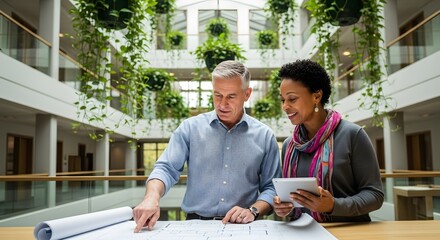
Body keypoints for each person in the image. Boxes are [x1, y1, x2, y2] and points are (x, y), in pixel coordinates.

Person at [133, 60, 281, 232]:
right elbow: (166, 168)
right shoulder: (190, 128)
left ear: (247, 94)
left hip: (242, 227)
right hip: (194, 226)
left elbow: (271, 187)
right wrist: (151, 197)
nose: (222, 104)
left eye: (231, 96)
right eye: (217, 95)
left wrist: (253, 210)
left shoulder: (265, 136)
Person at [273, 59, 384, 222]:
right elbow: (291, 200)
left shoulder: (353, 135)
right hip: (302, 232)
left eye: (292, 99)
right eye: (283, 100)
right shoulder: (291, 144)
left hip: (349, 233)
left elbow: (375, 195)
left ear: (316, 96)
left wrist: (332, 205)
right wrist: (284, 208)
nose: (285, 106)